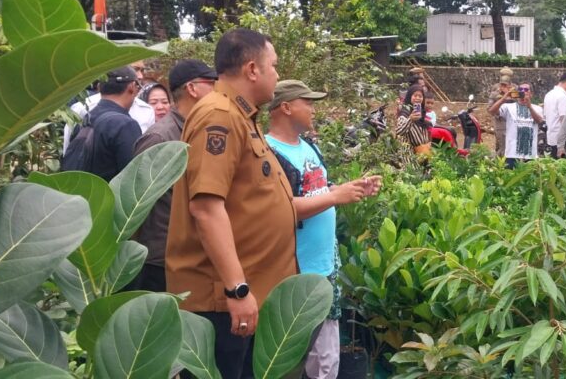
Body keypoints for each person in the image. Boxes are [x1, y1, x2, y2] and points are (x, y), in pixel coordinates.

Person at [166, 29, 297, 379]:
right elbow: (206, 208)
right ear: (252, 69)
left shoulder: (240, 115)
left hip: (242, 296)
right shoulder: (219, 116)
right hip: (222, 302)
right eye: (274, 66)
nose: (277, 75)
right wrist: (237, 290)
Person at [265, 80, 381, 379]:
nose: (314, 109)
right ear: (286, 107)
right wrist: (334, 197)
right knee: (291, 358)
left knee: (326, 360)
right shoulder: (267, 152)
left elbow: (315, 191)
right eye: (308, 102)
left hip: (324, 266)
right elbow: (277, 209)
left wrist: (348, 189)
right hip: (294, 271)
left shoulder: (307, 146)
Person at [127, 60, 217, 293]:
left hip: (191, 256)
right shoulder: (160, 138)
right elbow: (135, 201)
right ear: (192, 89)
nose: (218, 90)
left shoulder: (200, 129)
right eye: (211, 83)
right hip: (161, 260)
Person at [64, 60, 156, 153]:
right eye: (135, 69)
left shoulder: (146, 110)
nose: (140, 76)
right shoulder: (82, 108)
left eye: (142, 70)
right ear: (132, 86)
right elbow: (69, 149)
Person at [69, 66, 143, 181]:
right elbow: (133, 179)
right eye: (138, 86)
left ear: (99, 88)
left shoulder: (85, 119)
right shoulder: (125, 125)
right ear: (132, 87)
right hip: (108, 192)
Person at [489, 82, 543, 168]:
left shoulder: (537, 108)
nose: (523, 92)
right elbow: (492, 111)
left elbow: (539, 120)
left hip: (530, 155)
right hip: (511, 154)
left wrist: (529, 106)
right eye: (520, 90)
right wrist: (503, 99)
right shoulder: (508, 107)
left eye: (526, 90)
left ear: (531, 94)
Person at [542, 72, 566, 157]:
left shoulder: (548, 94)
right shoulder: (562, 97)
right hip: (561, 140)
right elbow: (564, 119)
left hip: (551, 137)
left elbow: (545, 116)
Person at [396, 84, 432, 155]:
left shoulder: (422, 113)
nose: (417, 98)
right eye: (415, 96)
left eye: (420, 96)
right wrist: (410, 119)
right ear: (409, 96)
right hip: (409, 155)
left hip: (423, 154)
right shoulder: (404, 114)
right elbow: (399, 132)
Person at [487, 67, 515, 157]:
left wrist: (510, 94)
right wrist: (501, 97)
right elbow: (490, 108)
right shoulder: (495, 89)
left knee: (512, 145)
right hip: (500, 121)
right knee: (501, 144)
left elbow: (520, 100)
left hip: (513, 121)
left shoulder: (514, 88)